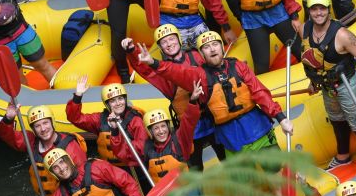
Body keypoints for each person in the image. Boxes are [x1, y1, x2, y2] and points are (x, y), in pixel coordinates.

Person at [136, 31, 293, 154]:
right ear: (201, 55)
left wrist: (281, 117)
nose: (212, 49)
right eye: (206, 47)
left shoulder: (238, 66)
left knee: (277, 174)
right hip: (229, 135)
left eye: (215, 44)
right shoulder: (200, 75)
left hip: (257, 126)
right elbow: (177, 72)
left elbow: (260, 92)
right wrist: (153, 62)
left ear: (221, 47)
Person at [123, 24, 226, 168]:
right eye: (164, 42)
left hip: (213, 118)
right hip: (190, 127)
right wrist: (132, 51)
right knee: (196, 168)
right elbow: (144, 70)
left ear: (179, 40)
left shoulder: (196, 55)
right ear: (160, 48)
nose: (169, 44)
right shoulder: (161, 70)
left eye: (171, 39)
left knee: (226, 159)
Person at [300, 0, 356, 167]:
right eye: (314, 9)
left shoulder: (342, 35)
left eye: (322, 9)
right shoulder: (305, 29)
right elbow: (312, 58)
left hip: (347, 83)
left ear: (328, 9)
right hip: (327, 87)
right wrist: (313, 82)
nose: (318, 13)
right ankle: (343, 156)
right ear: (309, 11)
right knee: (336, 120)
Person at [0, 104, 87, 196]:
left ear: (52, 122)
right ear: (33, 129)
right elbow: (6, 135)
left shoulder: (70, 146)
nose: (43, 129)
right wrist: (8, 119)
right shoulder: (30, 141)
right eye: (37, 126)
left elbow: (83, 178)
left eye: (45, 123)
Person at [110, 101, 200, 183]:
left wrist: (192, 101)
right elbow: (122, 153)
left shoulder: (179, 140)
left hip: (187, 192)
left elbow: (189, 121)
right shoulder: (145, 147)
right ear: (150, 131)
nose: (161, 131)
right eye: (156, 128)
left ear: (168, 127)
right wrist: (114, 131)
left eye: (163, 126)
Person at [66, 80, 147, 168]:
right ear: (107, 104)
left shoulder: (136, 121)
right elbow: (75, 118)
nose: (118, 103)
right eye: (112, 101)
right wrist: (78, 96)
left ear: (125, 99)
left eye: (120, 98)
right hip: (109, 170)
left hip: (133, 168)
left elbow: (142, 149)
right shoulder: (100, 119)